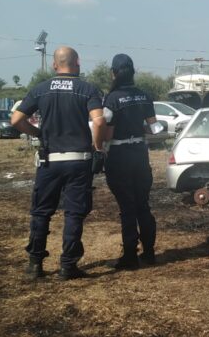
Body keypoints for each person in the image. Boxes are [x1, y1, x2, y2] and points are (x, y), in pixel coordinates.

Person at [11, 46, 106, 280]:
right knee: (74, 213)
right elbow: (100, 122)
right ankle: (68, 265)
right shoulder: (88, 89)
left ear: (55, 65)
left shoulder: (41, 90)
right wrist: (98, 148)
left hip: (49, 161)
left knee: (41, 212)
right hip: (78, 161)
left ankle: (35, 265)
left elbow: (16, 120)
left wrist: (38, 133)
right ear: (78, 63)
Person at [103, 54, 159, 269]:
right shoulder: (145, 96)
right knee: (143, 205)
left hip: (119, 155)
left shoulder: (112, 98)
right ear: (133, 72)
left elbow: (107, 132)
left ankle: (129, 256)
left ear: (114, 73)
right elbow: (154, 128)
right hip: (140, 154)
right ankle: (150, 252)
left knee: (127, 208)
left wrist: (100, 147)